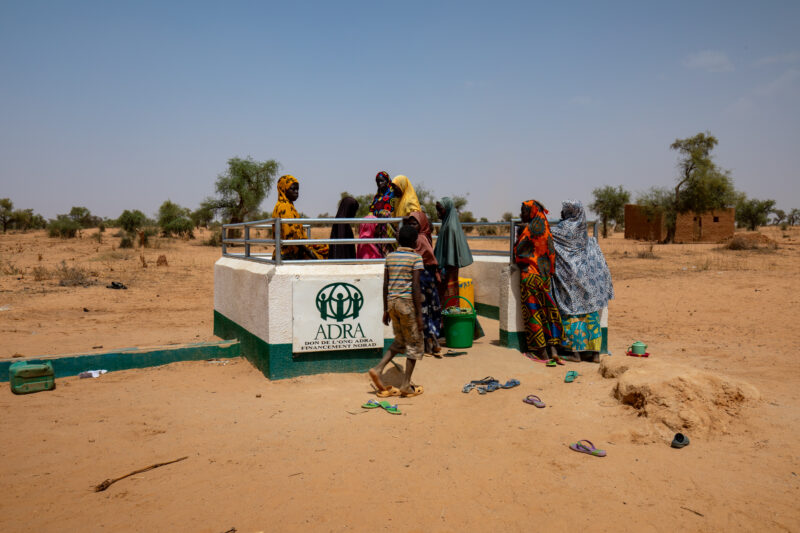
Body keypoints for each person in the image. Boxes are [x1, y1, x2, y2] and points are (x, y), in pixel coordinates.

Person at [550, 200, 614, 362]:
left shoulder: (562, 229)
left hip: (569, 279)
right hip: (587, 278)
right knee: (591, 315)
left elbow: (544, 233)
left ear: (568, 212)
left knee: (572, 315)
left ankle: (575, 354)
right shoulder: (583, 228)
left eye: (564, 211)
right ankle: (595, 354)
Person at [368, 224, 425, 398]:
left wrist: (386, 309)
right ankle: (406, 385)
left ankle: (378, 370)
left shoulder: (390, 257)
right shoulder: (415, 259)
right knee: (414, 344)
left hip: (392, 304)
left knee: (400, 341)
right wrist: (419, 315)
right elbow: (415, 286)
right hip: (407, 304)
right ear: (415, 242)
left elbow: (385, 284)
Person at [513, 199, 564, 364]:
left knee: (533, 314)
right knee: (547, 313)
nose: (521, 215)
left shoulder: (528, 230)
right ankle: (554, 351)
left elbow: (519, 253)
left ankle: (541, 354)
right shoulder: (546, 229)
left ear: (531, 212)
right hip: (544, 277)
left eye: (524, 211)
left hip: (530, 276)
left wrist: (517, 238)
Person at [404, 211, 443, 356]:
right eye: (409, 224)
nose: (411, 226)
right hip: (426, 277)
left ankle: (431, 341)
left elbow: (426, 259)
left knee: (425, 309)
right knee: (429, 308)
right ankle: (431, 341)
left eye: (414, 223)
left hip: (422, 277)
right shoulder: (424, 237)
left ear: (422, 224)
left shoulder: (419, 239)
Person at [271, 175, 328, 260]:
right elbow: (292, 236)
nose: (296, 192)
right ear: (284, 189)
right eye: (292, 189)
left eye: (297, 189)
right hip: (289, 253)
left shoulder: (287, 206)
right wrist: (308, 252)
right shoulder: (284, 207)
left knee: (321, 245)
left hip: (291, 249)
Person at [433, 197, 473, 307]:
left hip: (448, 271)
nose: (438, 213)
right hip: (447, 270)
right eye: (437, 210)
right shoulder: (447, 224)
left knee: (447, 299)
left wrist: (441, 272)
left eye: (440, 209)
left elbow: (450, 254)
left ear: (447, 209)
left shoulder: (450, 227)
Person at [368, 171, 396, 257]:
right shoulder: (376, 197)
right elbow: (371, 210)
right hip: (377, 229)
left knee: (391, 254)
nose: (379, 183)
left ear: (387, 180)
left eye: (381, 181)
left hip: (391, 228)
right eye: (377, 181)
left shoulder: (394, 194)